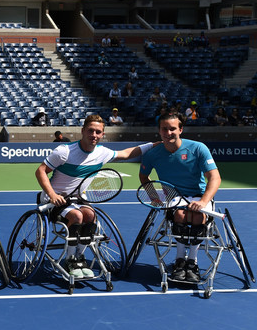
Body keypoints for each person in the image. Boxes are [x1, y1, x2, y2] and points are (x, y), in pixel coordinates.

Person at [35, 115, 157, 279]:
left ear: (102, 134)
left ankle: (80, 257)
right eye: (90, 131)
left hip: (78, 200)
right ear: (83, 131)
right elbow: (40, 171)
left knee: (91, 216)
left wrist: (154, 145)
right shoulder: (64, 151)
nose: (94, 135)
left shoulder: (102, 153)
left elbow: (127, 154)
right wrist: (52, 194)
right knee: (77, 216)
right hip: (55, 201)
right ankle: (70, 259)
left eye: (98, 132)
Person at [139, 112, 221, 282]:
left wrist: (203, 201)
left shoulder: (198, 148)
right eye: (164, 129)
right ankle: (179, 260)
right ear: (159, 131)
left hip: (199, 196)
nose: (168, 133)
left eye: (173, 129)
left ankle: (192, 261)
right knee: (180, 215)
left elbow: (215, 177)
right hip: (174, 198)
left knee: (198, 215)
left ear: (181, 129)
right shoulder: (153, 154)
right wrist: (154, 197)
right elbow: (143, 176)